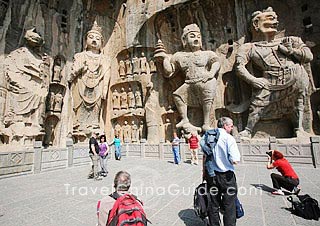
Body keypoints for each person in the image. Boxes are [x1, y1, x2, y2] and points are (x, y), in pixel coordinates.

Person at [235, 7, 313, 138]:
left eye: (275, 19)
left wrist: (292, 51)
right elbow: (239, 66)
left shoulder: (291, 40)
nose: (275, 21)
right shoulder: (249, 47)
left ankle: (299, 129)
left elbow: (308, 56)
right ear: (256, 24)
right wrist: (253, 80)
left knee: (298, 102)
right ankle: (248, 130)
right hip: (270, 79)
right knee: (258, 104)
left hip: (295, 75)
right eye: (270, 19)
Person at [154, 24, 220, 132]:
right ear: (184, 39)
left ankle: (206, 123)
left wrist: (211, 73)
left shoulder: (207, 53)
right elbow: (170, 72)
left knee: (208, 92)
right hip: (189, 83)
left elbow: (216, 62)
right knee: (178, 95)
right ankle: (185, 119)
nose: (196, 39)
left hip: (204, 80)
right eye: (192, 36)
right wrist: (165, 59)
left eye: (198, 37)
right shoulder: (179, 55)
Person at [69, 21, 110, 135]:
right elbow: (71, 75)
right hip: (81, 84)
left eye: (97, 38)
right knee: (80, 105)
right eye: (91, 37)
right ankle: (79, 126)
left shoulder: (105, 59)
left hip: (97, 85)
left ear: (101, 43)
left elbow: (107, 73)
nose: (94, 40)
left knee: (96, 107)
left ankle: (94, 125)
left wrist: (105, 88)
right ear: (86, 41)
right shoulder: (79, 56)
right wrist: (80, 69)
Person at [201, 117, 241, 226]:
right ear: (225, 126)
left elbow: (205, 157)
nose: (232, 128)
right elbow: (235, 160)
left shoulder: (208, 136)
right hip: (226, 177)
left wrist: (204, 173)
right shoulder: (229, 138)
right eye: (231, 126)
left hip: (211, 175)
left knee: (213, 204)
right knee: (229, 205)